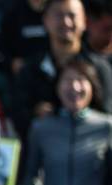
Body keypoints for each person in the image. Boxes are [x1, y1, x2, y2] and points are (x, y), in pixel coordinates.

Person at [17, 56, 112, 185]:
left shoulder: (107, 127)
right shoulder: (41, 127)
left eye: (81, 80)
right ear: (57, 87)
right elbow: (30, 173)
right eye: (67, 80)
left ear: (92, 87)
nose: (74, 87)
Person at [11, 0, 112, 139]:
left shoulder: (101, 68)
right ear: (45, 20)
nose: (66, 22)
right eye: (58, 15)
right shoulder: (30, 70)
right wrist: (35, 114)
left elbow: (108, 118)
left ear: (84, 21)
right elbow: (18, 117)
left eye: (72, 15)